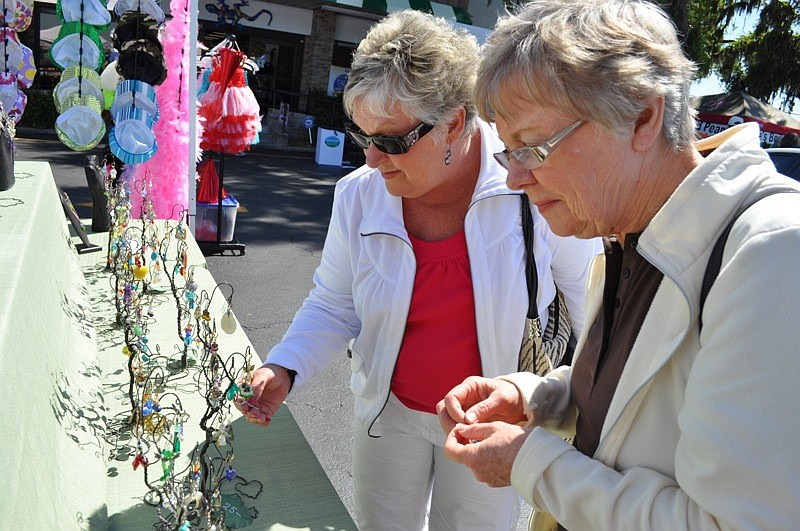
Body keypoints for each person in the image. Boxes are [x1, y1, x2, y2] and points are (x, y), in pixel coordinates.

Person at [437, 0, 800, 529]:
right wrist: (536, 395)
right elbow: (636, 392)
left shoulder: (770, 251)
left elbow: (733, 523)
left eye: (534, 147)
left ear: (642, 117)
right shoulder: (629, 228)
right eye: (508, 152)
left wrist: (528, 463)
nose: (515, 178)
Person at [234, 9, 600, 530]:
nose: (371, 160)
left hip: (490, 420)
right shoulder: (360, 194)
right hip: (389, 414)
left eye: (391, 140)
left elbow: (589, 305)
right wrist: (286, 365)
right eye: (361, 136)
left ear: (453, 121)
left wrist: (589, 420)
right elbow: (334, 302)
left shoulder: (528, 182)